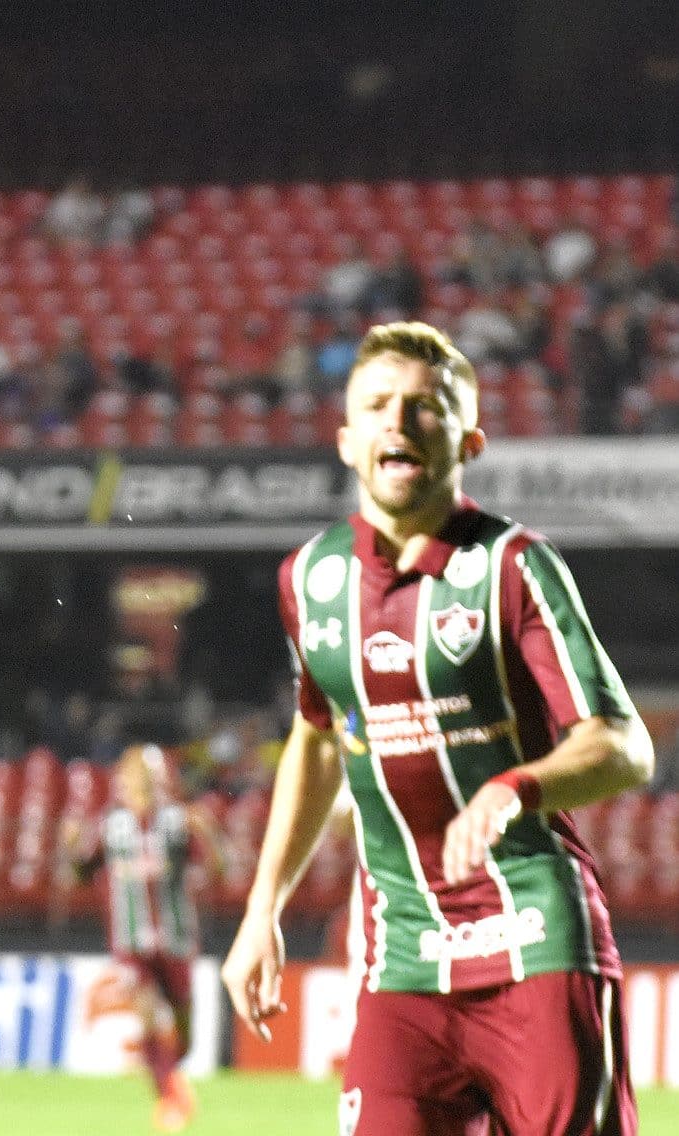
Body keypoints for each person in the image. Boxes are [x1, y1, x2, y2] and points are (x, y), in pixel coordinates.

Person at [221, 321, 653, 1135]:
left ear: (468, 440)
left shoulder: (513, 566)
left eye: (424, 408)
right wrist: (260, 911)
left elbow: (623, 745)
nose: (398, 421)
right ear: (347, 441)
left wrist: (511, 788)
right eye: (378, 405)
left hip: (535, 935)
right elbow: (317, 739)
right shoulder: (308, 581)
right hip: (404, 959)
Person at [60, 744, 222, 1133]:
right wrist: (70, 848)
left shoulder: (176, 822)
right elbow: (80, 875)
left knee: (184, 1038)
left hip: (176, 939)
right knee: (148, 1015)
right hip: (131, 943)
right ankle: (172, 1098)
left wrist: (210, 834)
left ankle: (170, 1078)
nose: (141, 785)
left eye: (148, 777)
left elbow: (219, 869)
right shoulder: (111, 826)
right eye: (133, 777)